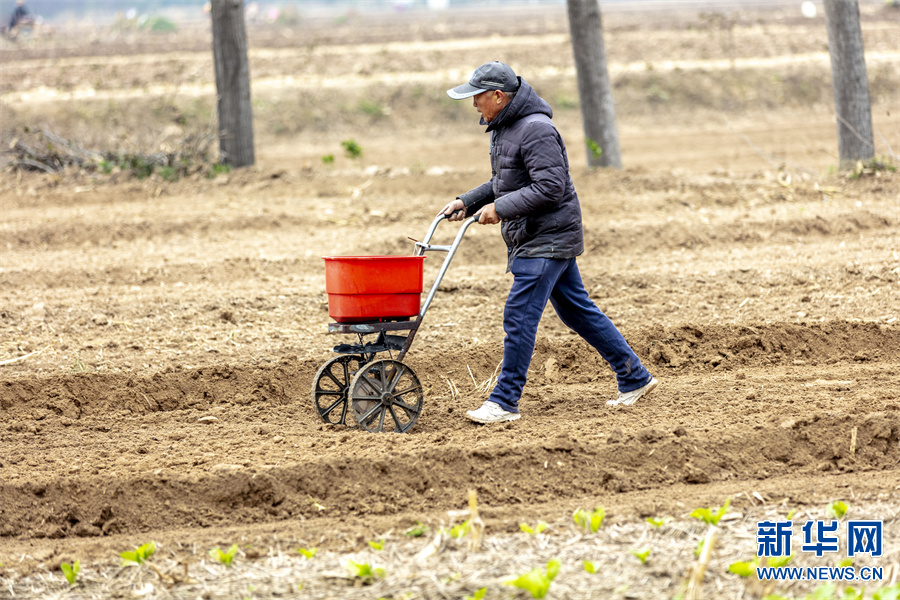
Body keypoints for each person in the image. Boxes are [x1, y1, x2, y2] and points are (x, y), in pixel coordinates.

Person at [440, 61, 658, 424]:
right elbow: (506, 181)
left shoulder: (536, 130)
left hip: (547, 235)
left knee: (519, 315)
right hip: (535, 233)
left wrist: (501, 210)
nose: (473, 103)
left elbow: (550, 188)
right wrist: (469, 200)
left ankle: (505, 401)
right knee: (575, 310)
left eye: (477, 96)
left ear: (498, 95)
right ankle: (634, 377)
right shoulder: (505, 127)